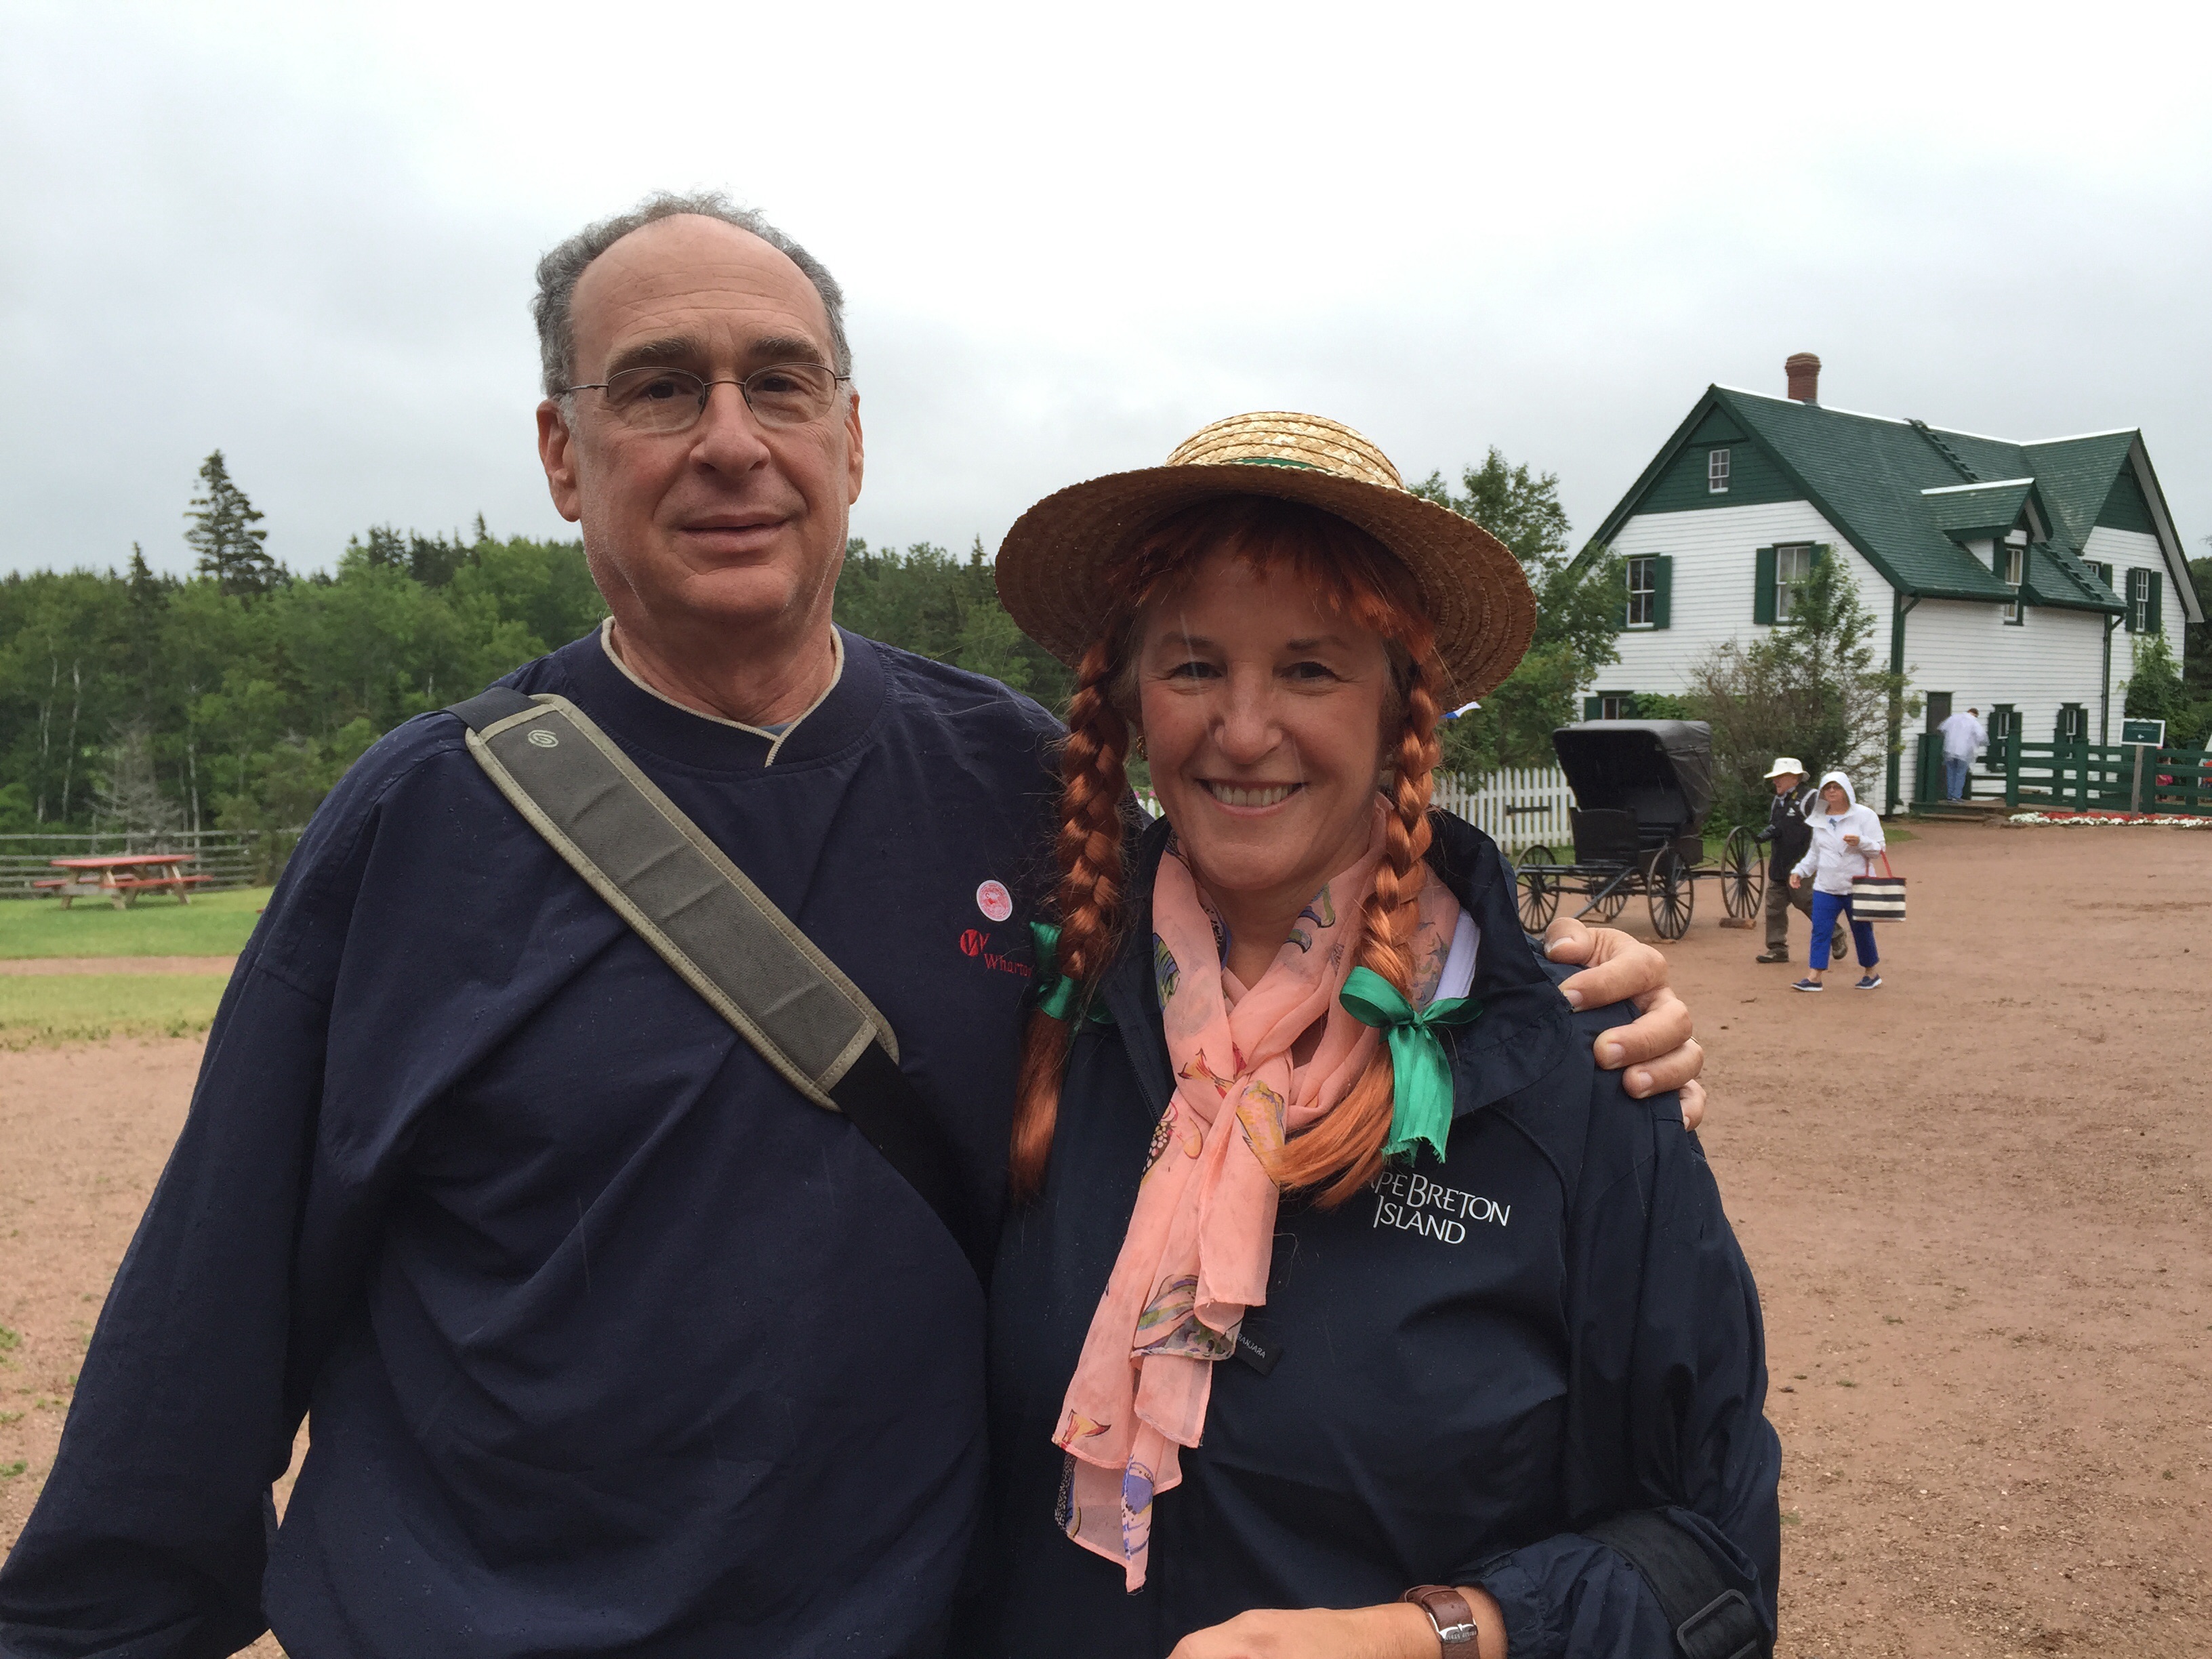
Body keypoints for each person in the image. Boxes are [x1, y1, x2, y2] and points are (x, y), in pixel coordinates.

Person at [0, 198, 1706, 1657]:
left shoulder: (1022, 793)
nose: (730, 438)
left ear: (853, 438)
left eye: (779, 382)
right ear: (561, 456)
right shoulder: (421, 824)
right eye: (658, 388)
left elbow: (1293, 908)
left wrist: (1564, 1004)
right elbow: (206, 1317)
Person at [972, 414, 1779, 1659]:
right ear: (1128, 695)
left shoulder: (1573, 1069)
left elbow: (1712, 1561)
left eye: (1309, 669)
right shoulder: (1041, 1018)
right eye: (1193, 667)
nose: (1245, 728)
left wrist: (1436, 1636)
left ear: (1402, 704)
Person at [1788, 771, 1885, 991]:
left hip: (1857, 885)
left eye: (1837, 787)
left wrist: (1861, 842)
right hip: (1826, 886)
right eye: (1827, 788)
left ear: (1846, 790)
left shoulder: (1865, 815)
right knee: (1820, 930)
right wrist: (1800, 871)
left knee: (1862, 930)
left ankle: (1871, 972)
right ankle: (1815, 976)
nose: (1832, 791)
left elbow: (1879, 850)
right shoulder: (1819, 817)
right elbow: (1815, 853)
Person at [1753, 756, 1846, 965]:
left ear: (1795, 778)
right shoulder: (1777, 801)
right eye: (1775, 777)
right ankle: (1777, 948)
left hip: (1804, 863)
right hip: (1780, 863)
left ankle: (1836, 933)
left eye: (1780, 777)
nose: (1775, 781)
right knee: (1774, 905)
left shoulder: (1813, 797)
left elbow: (1828, 826)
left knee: (1806, 901)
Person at [1937, 705, 1986, 800]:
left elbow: (1943, 728)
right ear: (1975, 715)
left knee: (1951, 773)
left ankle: (1950, 795)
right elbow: (1981, 737)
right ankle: (1956, 796)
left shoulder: (1954, 718)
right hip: (1964, 752)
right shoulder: (1973, 721)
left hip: (1950, 750)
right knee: (1960, 774)